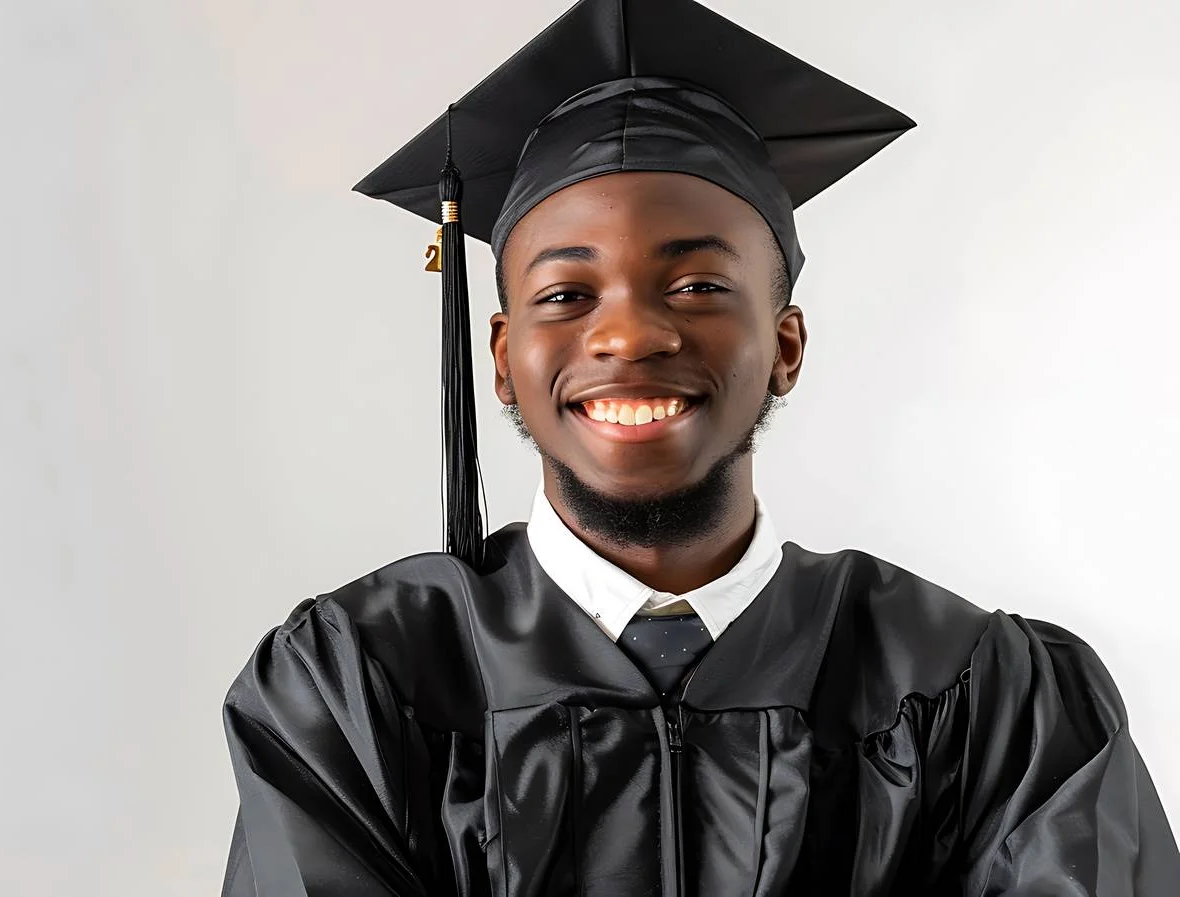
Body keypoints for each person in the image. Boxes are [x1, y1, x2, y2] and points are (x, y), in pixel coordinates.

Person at [219, 0, 1180, 894]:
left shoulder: (982, 692)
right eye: (565, 295)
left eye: (697, 288)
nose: (630, 335)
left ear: (786, 347)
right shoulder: (357, 685)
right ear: (505, 360)